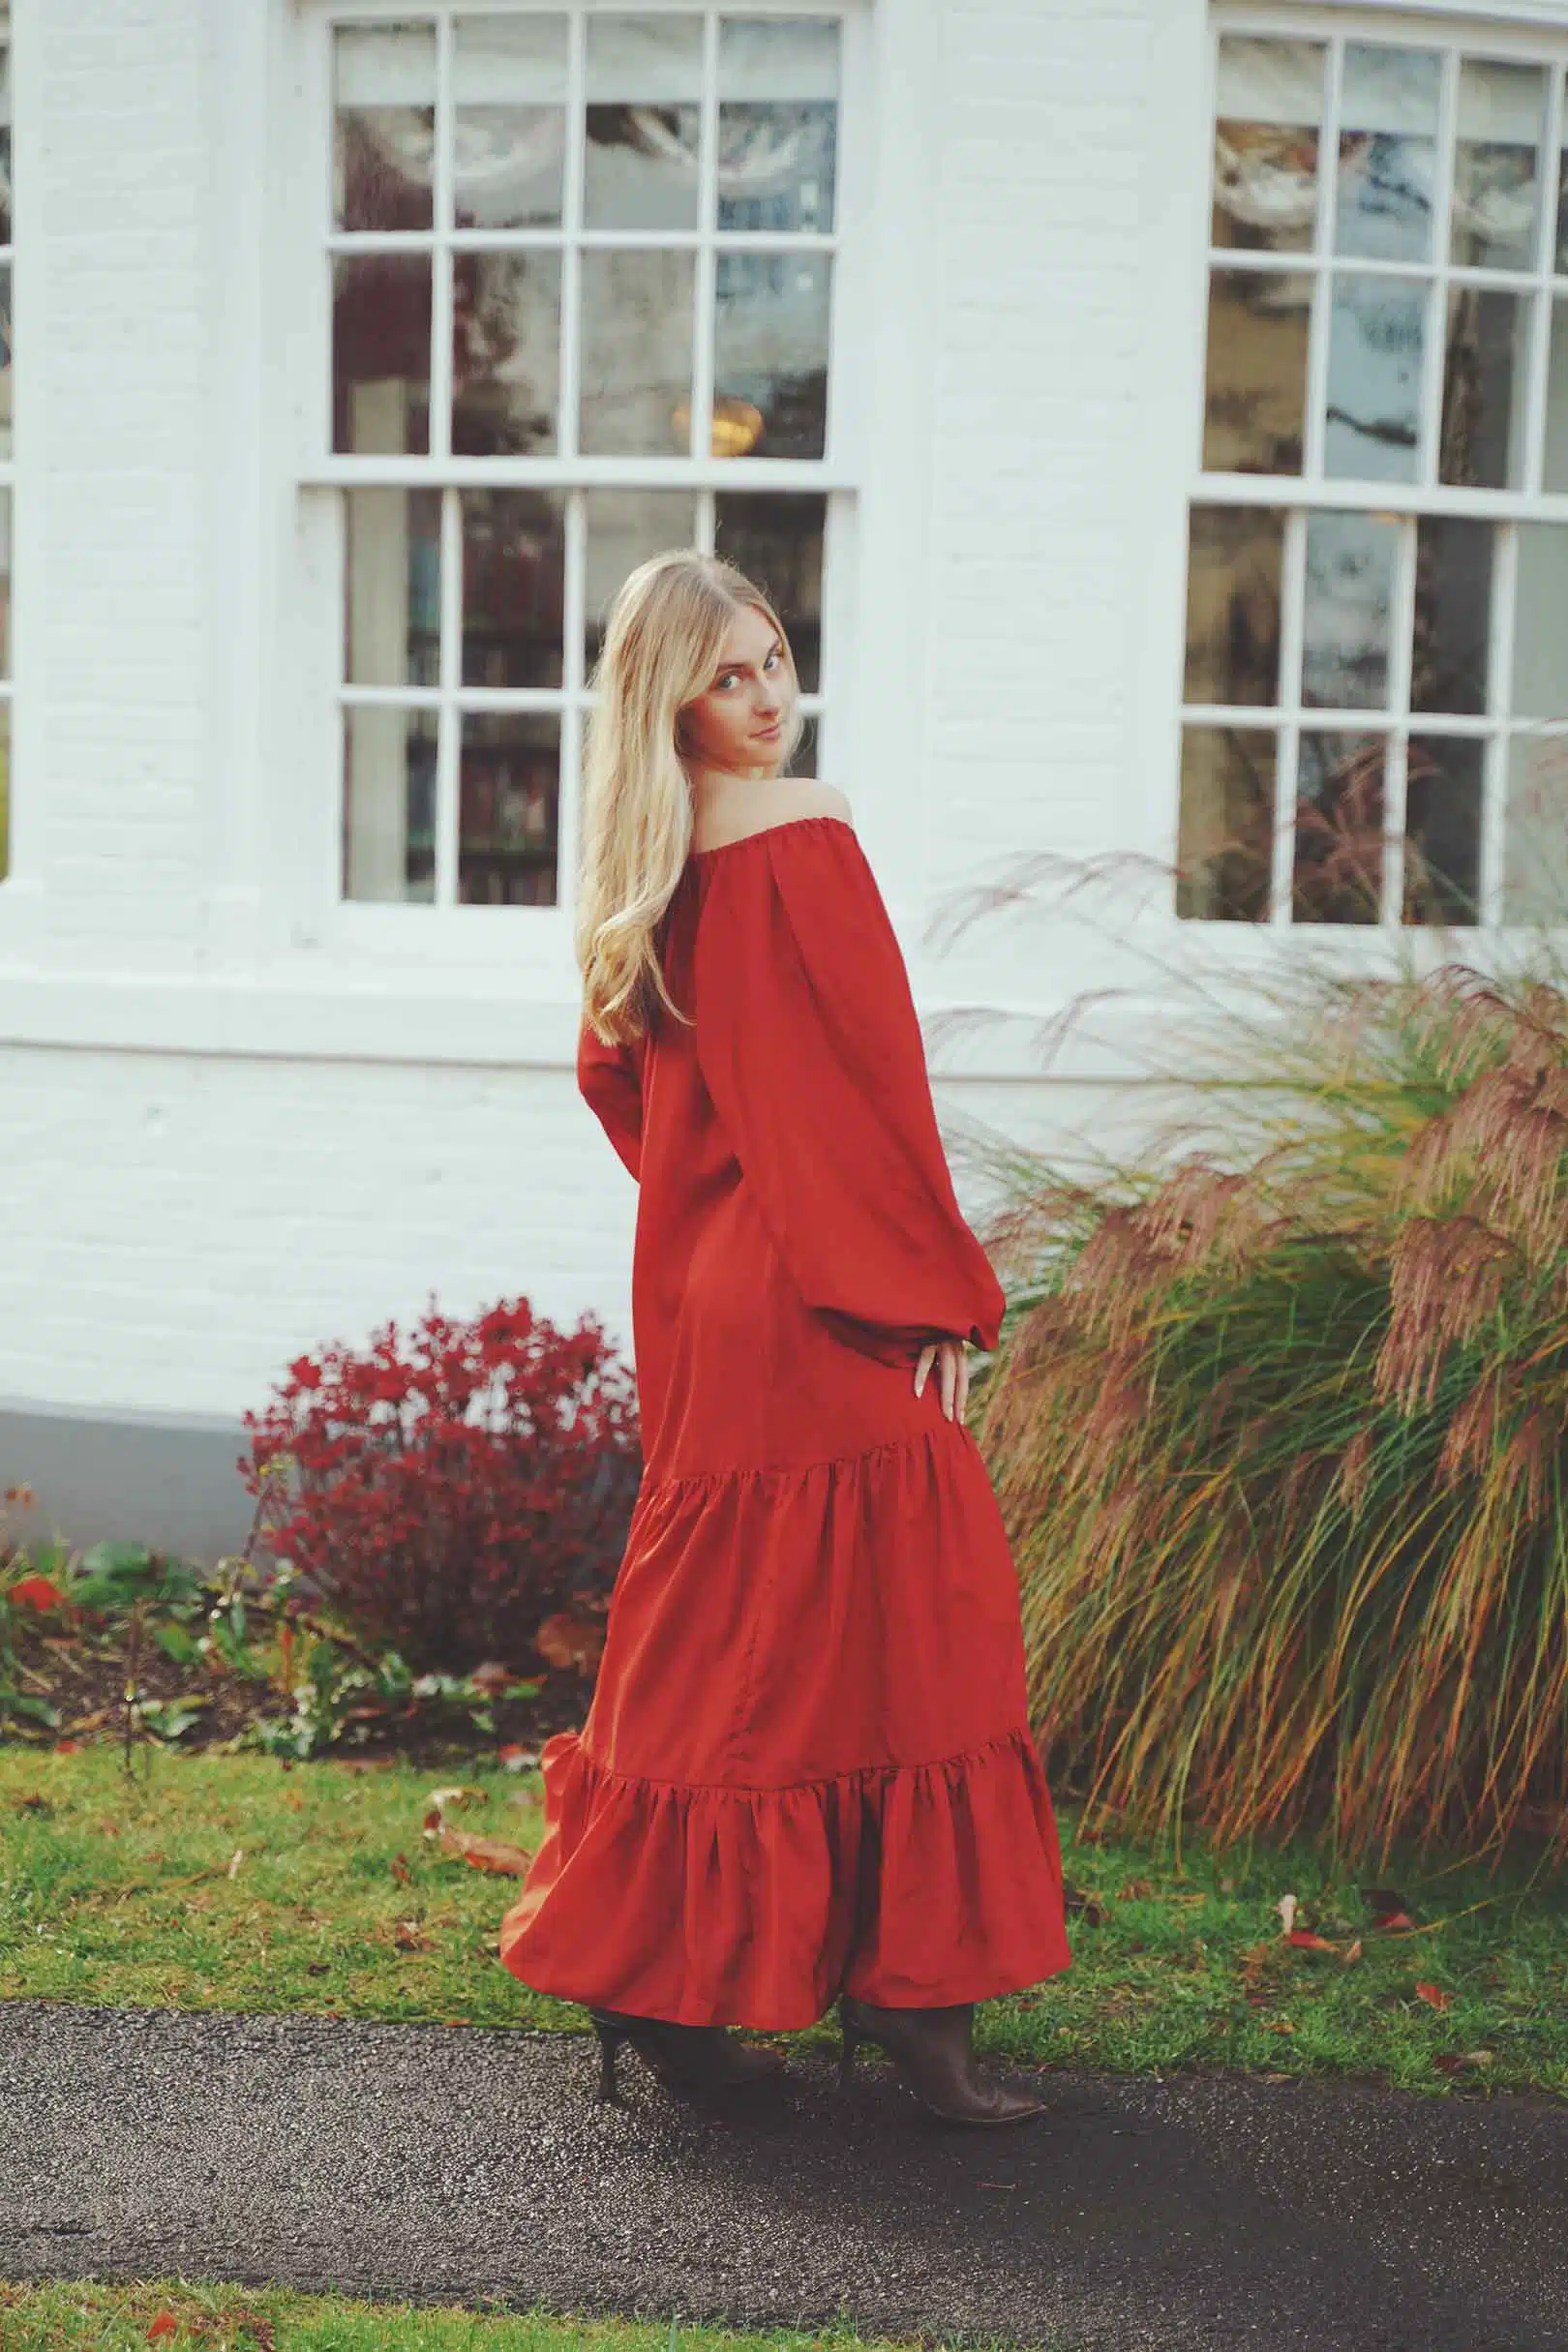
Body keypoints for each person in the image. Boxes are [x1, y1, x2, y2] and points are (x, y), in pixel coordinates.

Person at [498, 551, 1071, 2126]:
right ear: (671, 699)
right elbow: (867, 1086)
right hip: (820, 1292)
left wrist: (711, 1209)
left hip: (710, 1293)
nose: (766, 699)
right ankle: (914, 1997)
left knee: (716, 1634)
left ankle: (655, 1987)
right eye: (729, 676)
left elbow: (614, 1080)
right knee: (923, 1619)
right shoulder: (800, 830)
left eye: (774, 662)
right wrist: (928, 1290)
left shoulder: (643, 857)